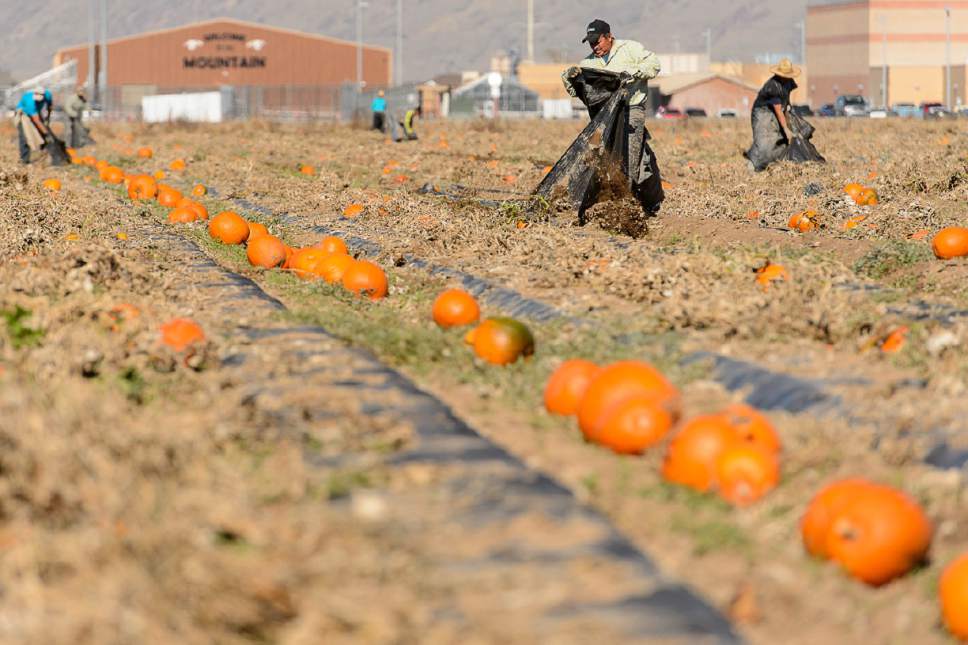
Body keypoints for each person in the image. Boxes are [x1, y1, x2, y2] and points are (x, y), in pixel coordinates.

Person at [562, 19, 664, 215]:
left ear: (609, 37)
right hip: (604, 117)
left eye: (597, 42)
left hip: (631, 109)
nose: (595, 47)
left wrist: (633, 73)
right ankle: (582, 199)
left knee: (630, 154)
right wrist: (569, 78)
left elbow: (654, 65)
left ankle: (624, 199)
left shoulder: (631, 49)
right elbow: (578, 92)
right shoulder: (588, 64)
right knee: (591, 153)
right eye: (591, 43)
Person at [745, 59, 801, 172]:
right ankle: (753, 166)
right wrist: (786, 129)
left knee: (781, 139)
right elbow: (778, 109)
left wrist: (788, 110)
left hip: (778, 109)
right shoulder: (772, 86)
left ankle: (777, 164)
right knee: (765, 140)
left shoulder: (789, 82)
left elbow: (785, 101)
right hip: (762, 111)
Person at [14, 89, 52, 165]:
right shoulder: (29, 102)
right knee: (25, 137)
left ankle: (43, 156)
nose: (38, 101)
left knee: (42, 133)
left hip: (36, 113)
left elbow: (50, 105)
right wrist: (46, 133)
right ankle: (24, 161)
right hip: (24, 115)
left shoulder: (48, 94)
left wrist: (48, 117)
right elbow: (36, 120)